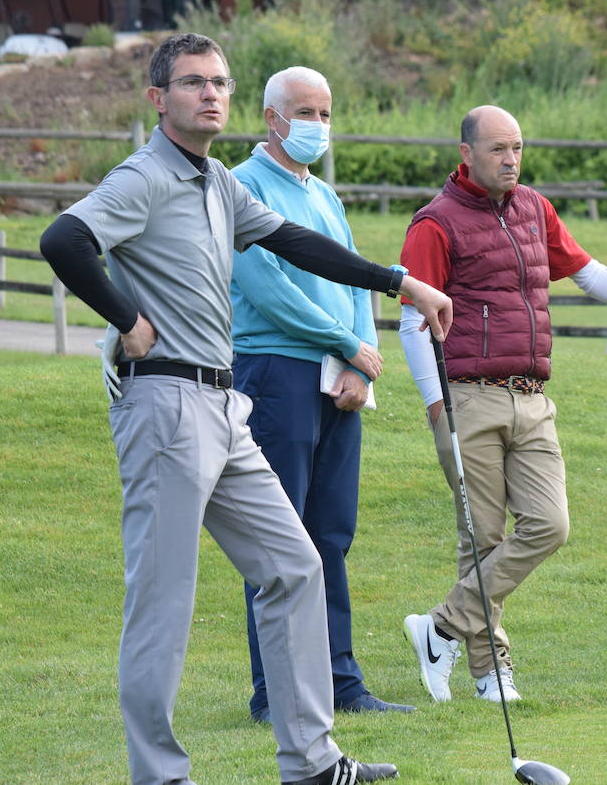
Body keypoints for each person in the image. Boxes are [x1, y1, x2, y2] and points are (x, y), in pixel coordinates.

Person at [39, 33, 452, 785]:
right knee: (164, 603)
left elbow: (296, 243)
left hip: (225, 404)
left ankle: (313, 761)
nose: (211, 94)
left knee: (294, 565)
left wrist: (401, 283)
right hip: (164, 404)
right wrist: (128, 321)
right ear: (159, 99)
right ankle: (160, 776)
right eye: (193, 82)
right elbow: (64, 239)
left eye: (220, 82)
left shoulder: (219, 182)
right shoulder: (144, 177)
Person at [397, 105, 607, 703]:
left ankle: (439, 628)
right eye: (497, 149)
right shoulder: (435, 224)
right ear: (466, 154)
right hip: (467, 396)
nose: (511, 159)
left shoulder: (534, 208)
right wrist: (434, 404)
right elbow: (413, 319)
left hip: (532, 397)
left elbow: (589, 274)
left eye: (517, 147)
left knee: (550, 525)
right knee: (483, 540)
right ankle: (492, 675)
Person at [230, 66, 414, 723]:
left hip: (338, 378)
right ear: (271, 117)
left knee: (330, 535)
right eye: (305, 112)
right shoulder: (242, 187)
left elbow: (359, 280)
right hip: (274, 373)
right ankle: (274, 693)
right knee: (277, 541)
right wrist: (344, 340)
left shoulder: (326, 196)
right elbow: (266, 287)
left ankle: (340, 684)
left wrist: (362, 361)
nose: (317, 125)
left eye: (326, 113)